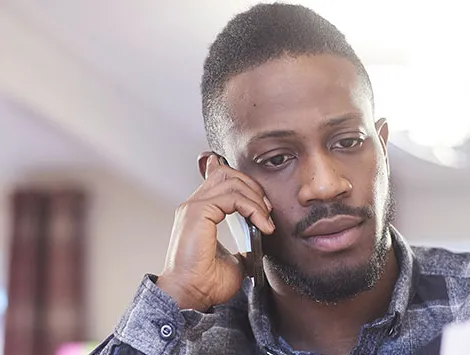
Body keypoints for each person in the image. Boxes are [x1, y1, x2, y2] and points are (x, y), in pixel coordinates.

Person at [92, 3, 470, 355]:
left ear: (382, 149)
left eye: (348, 141)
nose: (325, 184)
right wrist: (179, 291)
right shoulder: (190, 344)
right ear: (222, 179)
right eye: (276, 158)